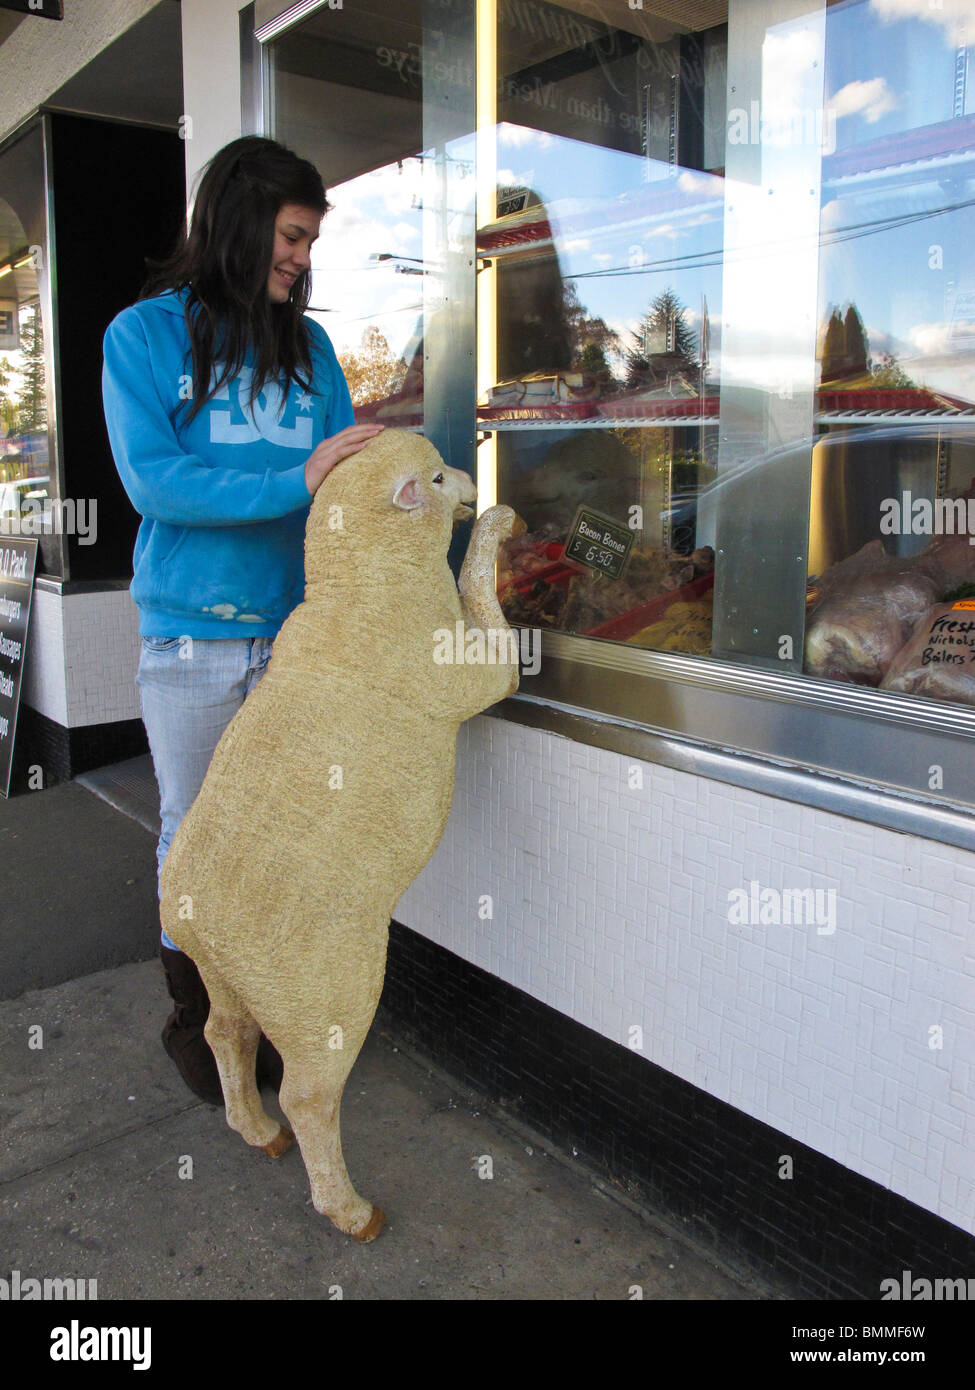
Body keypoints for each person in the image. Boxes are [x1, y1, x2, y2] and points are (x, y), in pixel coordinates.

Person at [101, 136, 383, 1104]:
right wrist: (293, 477)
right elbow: (157, 482)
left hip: (301, 643)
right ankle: (196, 1020)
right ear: (240, 219)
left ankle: (263, 1016)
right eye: (294, 234)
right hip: (192, 640)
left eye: (310, 239)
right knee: (198, 837)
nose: (303, 256)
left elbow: (342, 482)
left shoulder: (309, 348)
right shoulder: (141, 337)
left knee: (290, 841)